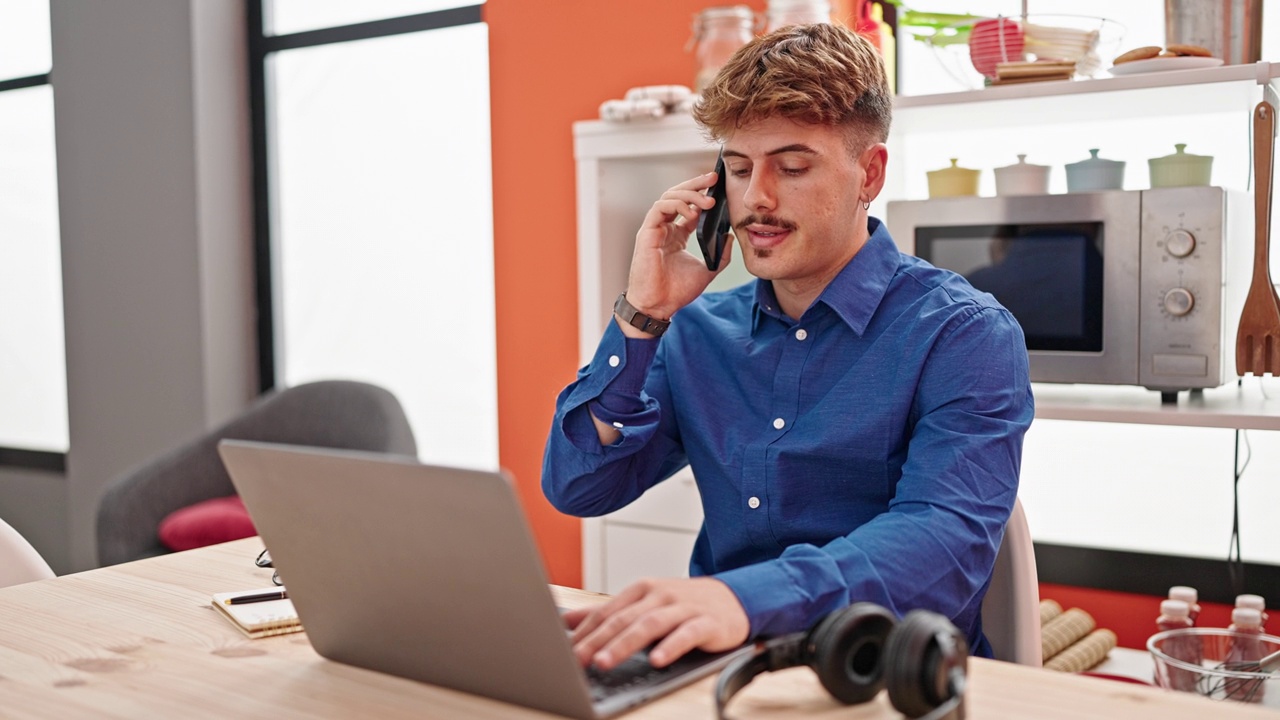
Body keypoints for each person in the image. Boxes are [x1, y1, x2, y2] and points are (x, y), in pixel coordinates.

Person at [542, 22, 1033, 672]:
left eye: (792, 167)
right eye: (738, 169)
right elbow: (579, 489)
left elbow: (942, 545)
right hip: (718, 667)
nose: (756, 199)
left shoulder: (963, 333)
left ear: (870, 173)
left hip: (883, 676)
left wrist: (740, 600)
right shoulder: (696, 332)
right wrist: (642, 316)